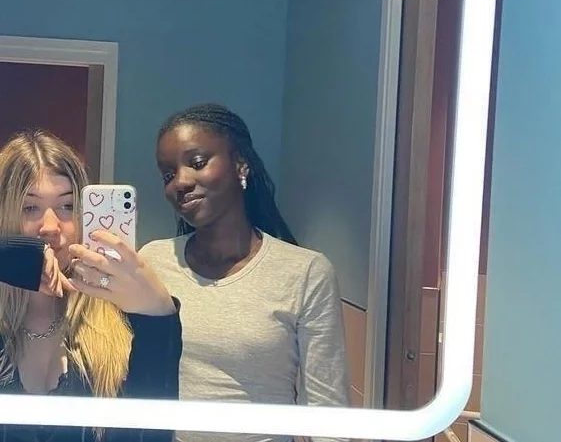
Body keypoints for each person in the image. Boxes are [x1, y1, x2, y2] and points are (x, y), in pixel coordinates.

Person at [139, 103, 349, 442]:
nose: (180, 182)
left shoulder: (306, 273)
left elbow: (327, 412)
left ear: (240, 164)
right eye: (168, 174)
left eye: (197, 163)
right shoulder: (152, 262)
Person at [0, 130, 182, 442]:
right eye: (29, 208)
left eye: (67, 206)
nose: (50, 227)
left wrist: (158, 319)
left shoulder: (119, 326)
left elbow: (149, 437)